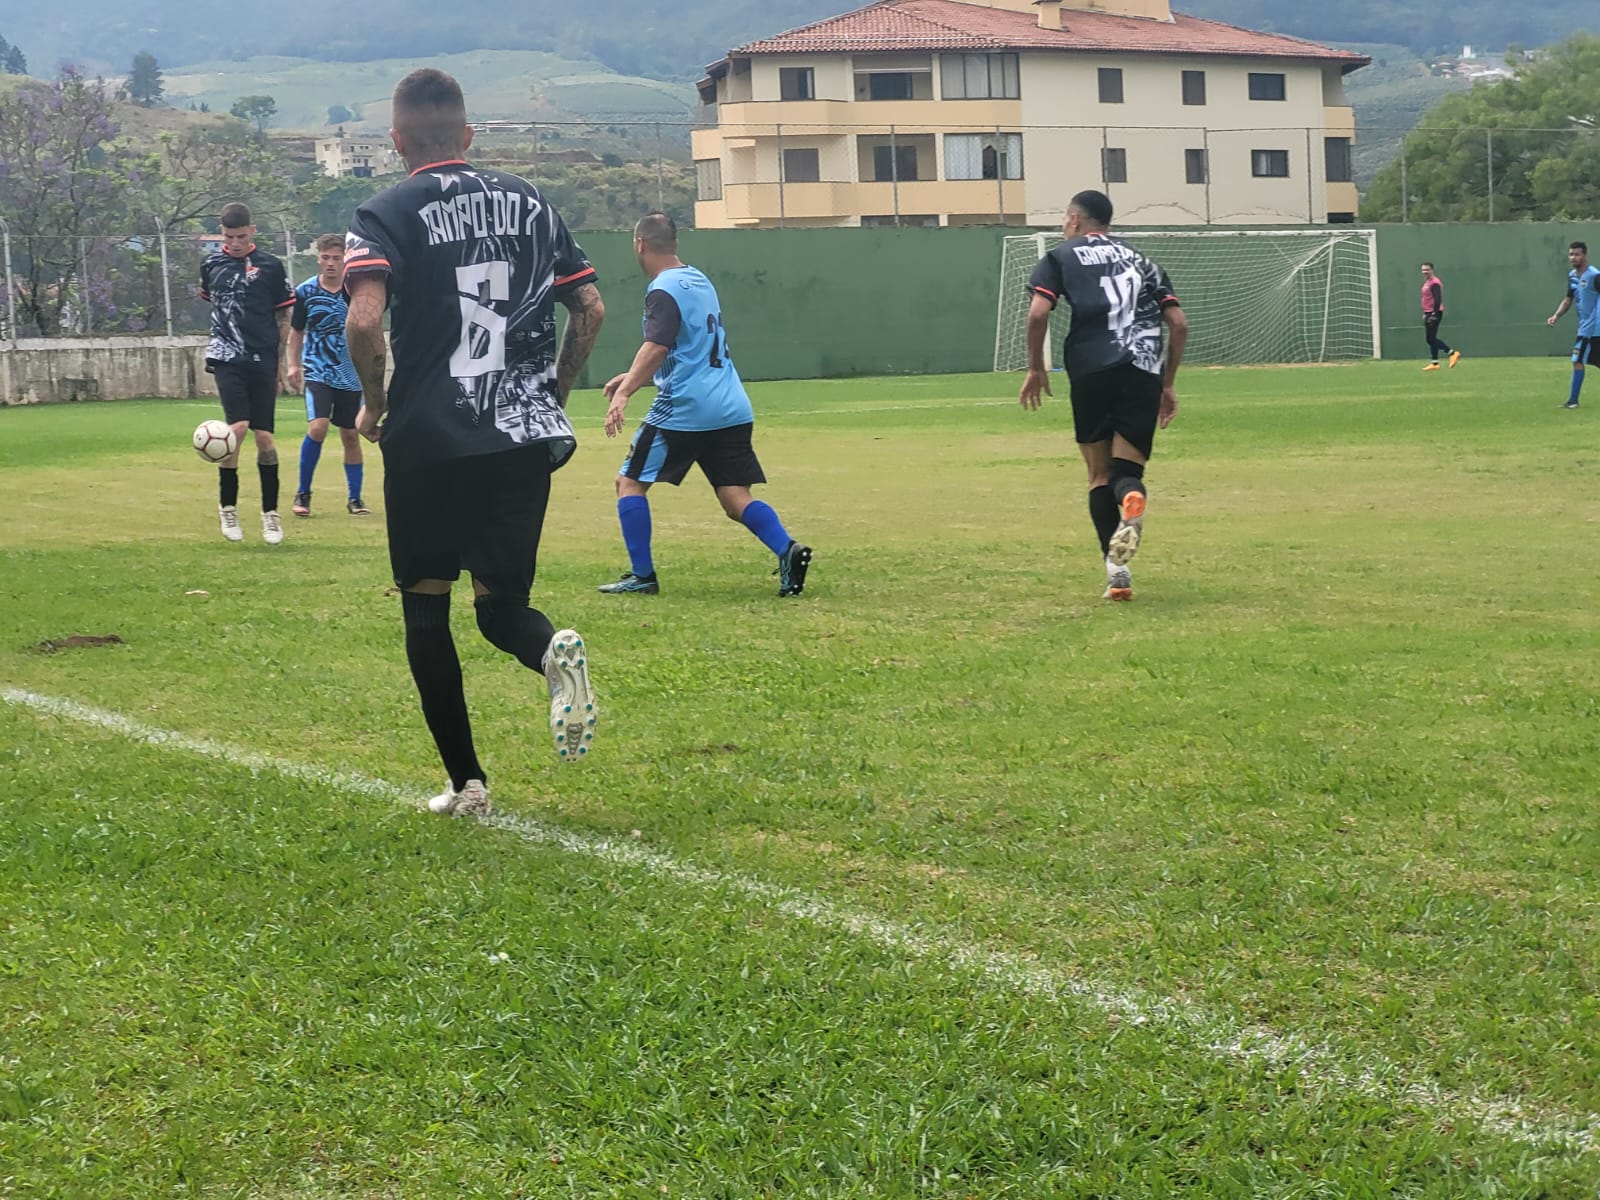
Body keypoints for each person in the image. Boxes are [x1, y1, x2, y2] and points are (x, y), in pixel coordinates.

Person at [344, 68, 606, 817]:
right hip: (523, 435)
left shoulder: (386, 210)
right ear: (467, 135)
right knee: (501, 608)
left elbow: (364, 322)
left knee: (427, 610)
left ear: (396, 141)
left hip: (431, 436)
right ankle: (550, 651)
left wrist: (374, 401)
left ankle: (469, 786)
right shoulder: (530, 200)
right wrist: (553, 392)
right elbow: (588, 308)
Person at [598, 212, 813, 598]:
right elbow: (687, 348)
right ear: (675, 244)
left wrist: (627, 392)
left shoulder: (662, 288)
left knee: (629, 483)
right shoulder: (699, 281)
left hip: (686, 407)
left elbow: (658, 345)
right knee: (735, 497)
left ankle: (642, 576)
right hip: (730, 405)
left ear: (640, 245)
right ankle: (787, 549)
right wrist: (630, 376)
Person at [1018, 189, 1187, 601]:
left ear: (1074, 220)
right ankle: (1131, 496)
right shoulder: (1143, 261)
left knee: (1097, 476)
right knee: (1126, 473)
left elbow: (1038, 312)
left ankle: (1116, 573)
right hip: (1143, 370)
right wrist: (1166, 384)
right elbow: (1179, 325)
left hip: (1091, 369)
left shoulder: (1062, 256)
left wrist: (1036, 368)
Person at [199, 202, 293, 543]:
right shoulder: (211, 264)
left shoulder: (270, 266)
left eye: (240, 236)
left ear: (252, 231)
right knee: (236, 427)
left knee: (265, 437)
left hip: (263, 358)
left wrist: (280, 363)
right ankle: (228, 508)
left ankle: (271, 515)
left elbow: (283, 317)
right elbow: (213, 300)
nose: (235, 243)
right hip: (225, 356)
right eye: (228, 237)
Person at [287, 233, 369, 516]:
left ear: (346, 259)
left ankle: (355, 498)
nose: (331, 263)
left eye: (337, 258)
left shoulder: (356, 291)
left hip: (350, 372)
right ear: (318, 258)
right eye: (326, 258)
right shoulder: (306, 292)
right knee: (318, 427)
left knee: (350, 433)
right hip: (318, 370)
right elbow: (296, 331)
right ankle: (303, 493)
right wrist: (293, 365)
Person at [1545, 241, 1600, 409]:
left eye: (1577, 254)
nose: (1573, 257)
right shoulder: (1572, 276)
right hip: (1586, 326)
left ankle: (1573, 401)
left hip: (1592, 328)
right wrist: (1556, 315)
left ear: (1585, 255)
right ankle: (1573, 400)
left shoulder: (1594, 275)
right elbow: (1568, 299)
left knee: (1577, 359)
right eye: (1571, 254)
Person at [1419, 262, 1461, 372]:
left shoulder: (1434, 283)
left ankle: (1452, 353)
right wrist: (1426, 312)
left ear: (1432, 270)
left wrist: (1433, 314)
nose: (1425, 272)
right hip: (1429, 312)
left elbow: (1437, 299)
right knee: (1431, 338)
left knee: (1430, 339)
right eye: (1423, 270)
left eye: (1427, 270)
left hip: (1434, 312)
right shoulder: (1427, 282)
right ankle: (1435, 363)